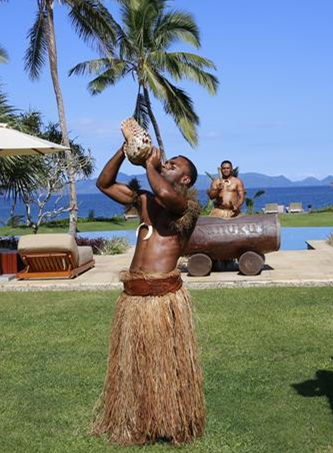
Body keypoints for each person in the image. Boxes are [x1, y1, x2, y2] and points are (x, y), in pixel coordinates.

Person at [92, 143, 204, 446]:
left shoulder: (187, 207)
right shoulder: (144, 199)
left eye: (173, 164)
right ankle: (139, 422)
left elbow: (166, 195)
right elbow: (104, 184)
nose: (166, 163)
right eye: (166, 162)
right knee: (137, 367)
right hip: (133, 299)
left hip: (162, 301)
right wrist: (124, 151)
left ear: (185, 179)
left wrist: (148, 165)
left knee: (166, 367)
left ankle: (173, 422)